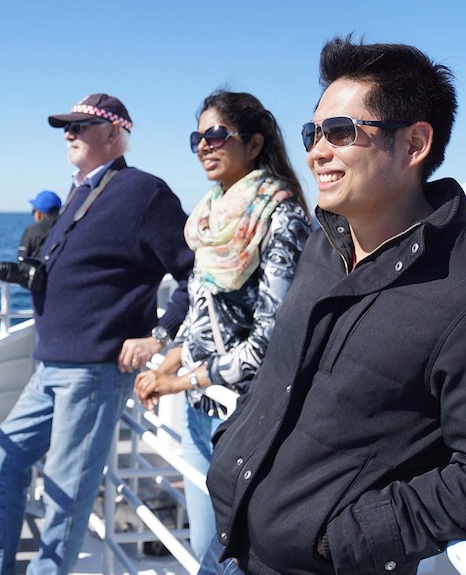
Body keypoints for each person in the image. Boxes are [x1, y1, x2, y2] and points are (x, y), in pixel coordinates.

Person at [201, 36, 464, 575]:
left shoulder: (456, 288)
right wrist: (234, 445)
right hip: (231, 542)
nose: (316, 150)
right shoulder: (323, 245)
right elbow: (281, 372)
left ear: (414, 144)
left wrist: (345, 538)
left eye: (341, 133)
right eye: (312, 132)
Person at [0, 93, 195, 575]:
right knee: (1, 460)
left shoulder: (145, 192)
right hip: (50, 366)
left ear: (114, 133)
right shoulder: (82, 189)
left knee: (65, 497)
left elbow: (195, 274)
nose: (68, 134)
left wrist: (159, 335)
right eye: (66, 126)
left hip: (93, 374)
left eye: (80, 125)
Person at [133, 91, 313, 559]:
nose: (204, 146)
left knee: (227, 555)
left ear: (253, 145)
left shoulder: (282, 218)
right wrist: (165, 366)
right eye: (198, 138)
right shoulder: (211, 218)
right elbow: (198, 310)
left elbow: (270, 342)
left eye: (216, 135)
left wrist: (177, 381)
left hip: (245, 413)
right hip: (198, 405)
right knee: (203, 546)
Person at [17, 190, 61, 259]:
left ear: (39, 214)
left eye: (33, 211)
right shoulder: (65, 227)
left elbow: (22, 261)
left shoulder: (31, 231)